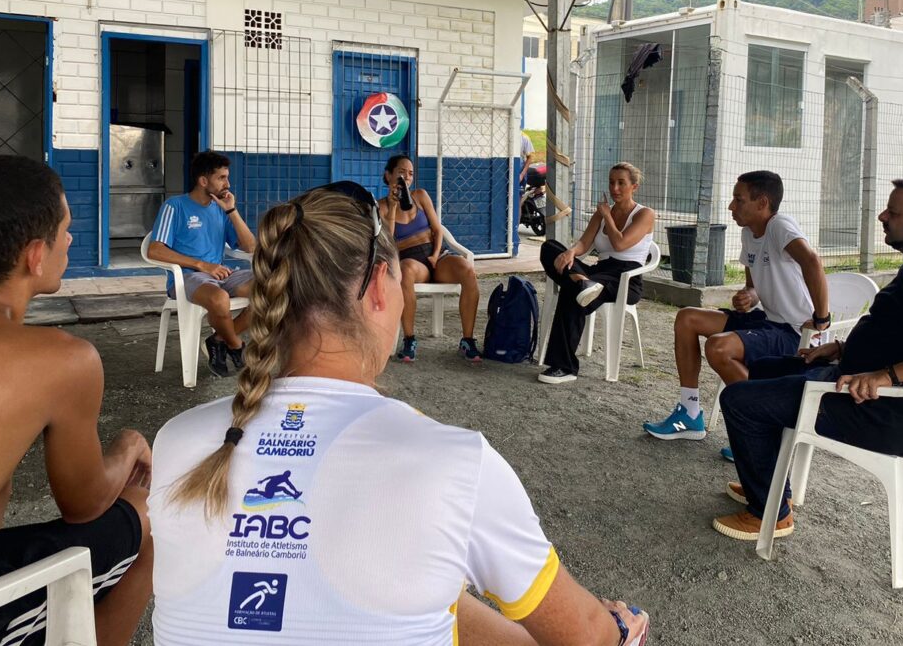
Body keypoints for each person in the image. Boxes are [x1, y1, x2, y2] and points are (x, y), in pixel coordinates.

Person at [147, 182, 649, 646]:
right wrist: (620, 629)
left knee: (432, 584)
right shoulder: (454, 462)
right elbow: (586, 638)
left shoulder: (178, 440)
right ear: (377, 289)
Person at [0, 156, 153, 646]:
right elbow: (85, 506)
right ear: (36, 256)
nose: (72, 238)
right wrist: (129, 444)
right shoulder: (61, 360)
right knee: (150, 513)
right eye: (66, 229)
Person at [712, 176, 903, 541]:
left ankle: (771, 515)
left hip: (874, 409)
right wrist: (842, 348)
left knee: (739, 400)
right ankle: (771, 486)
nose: (882, 216)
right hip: (853, 381)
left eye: (893, 212)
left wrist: (885, 376)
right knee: (762, 371)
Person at [643, 171, 829, 450]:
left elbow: (812, 261)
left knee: (719, 348)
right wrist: (749, 297)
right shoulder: (748, 232)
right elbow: (752, 287)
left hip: (794, 332)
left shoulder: (779, 225)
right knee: (687, 318)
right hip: (768, 320)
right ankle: (690, 413)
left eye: (738, 200)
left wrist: (822, 319)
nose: (731, 206)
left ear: (762, 203)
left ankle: (763, 429)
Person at [538, 162, 655, 385]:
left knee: (572, 294)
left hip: (625, 277)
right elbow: (584, 243)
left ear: (634, 187)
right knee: (550, 248)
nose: (615, 188)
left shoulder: (645, 214)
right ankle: (581, 281)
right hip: (598, 272)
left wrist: (607, 216)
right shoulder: (601, 213)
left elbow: (620, 244)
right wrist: (571, 252)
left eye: (621, 183)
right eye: (611, 182)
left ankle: (564, 367)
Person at [149, 150, 256, 377]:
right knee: (219, 299)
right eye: (221, 178)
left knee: (273, 290)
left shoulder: (221, 209)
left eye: (227, 177)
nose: (228, 184)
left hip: (221, 274)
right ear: (203, 181)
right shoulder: (174, 206)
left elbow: (250, 247)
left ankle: (219, 340)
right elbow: (155, 250)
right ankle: (236, 345)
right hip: (187, 277)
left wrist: (231, 211)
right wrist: (201, 265)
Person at [378, 155, 481, 362]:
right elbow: (388, 239)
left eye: (410, 174)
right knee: (406, 270)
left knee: (467, 269)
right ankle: (409, 340)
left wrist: (435, 255)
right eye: (401, 173)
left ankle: (468, 340)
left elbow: (437, 229)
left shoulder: (420, 196)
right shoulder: (381, 206)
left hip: (436, 256)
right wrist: (393, 207)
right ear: (389, 175)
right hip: (412, 262)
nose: (406, 178)